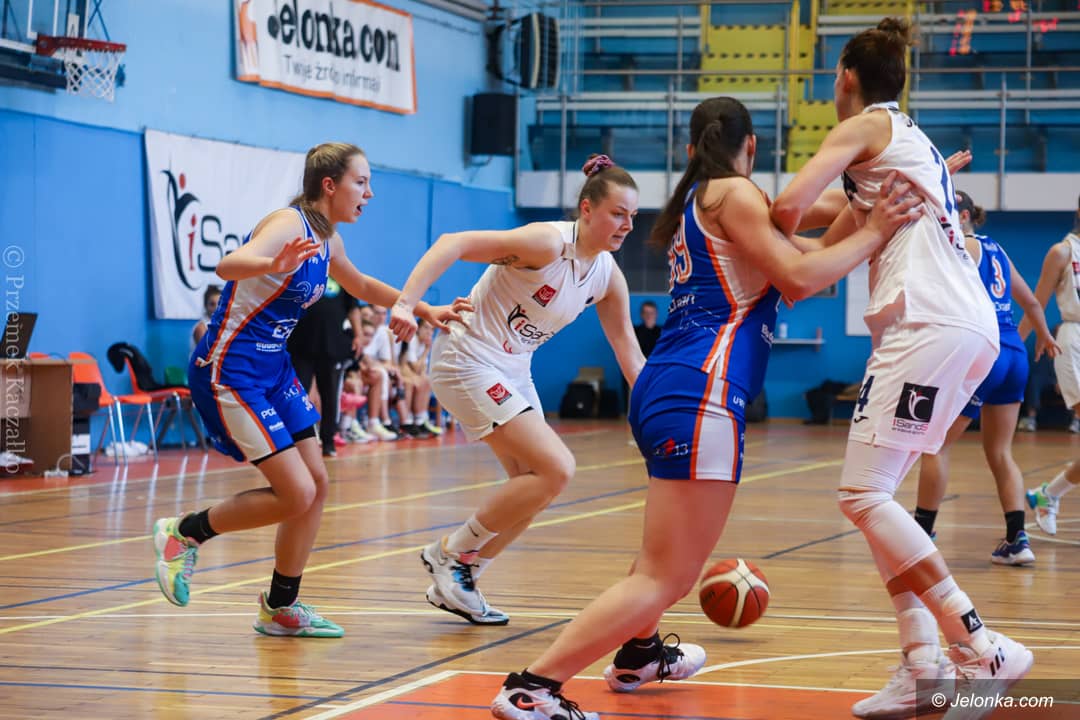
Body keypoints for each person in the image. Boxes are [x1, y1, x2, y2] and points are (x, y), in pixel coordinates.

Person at [484, 98, 924, 720]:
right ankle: (533, 687)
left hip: (673, 385)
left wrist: (879, 203)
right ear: (752, 146)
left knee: (658, 559)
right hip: (703, 390)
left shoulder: (705, 200)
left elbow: (816, 241)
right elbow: (803, 278)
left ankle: (639, 654)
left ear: (692, 150)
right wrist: (879, 227)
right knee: (666, 577)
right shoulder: (734, 195)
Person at [770, 18, 1034, 719]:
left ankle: (981, 647)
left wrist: (745, 223)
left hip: (929, 324)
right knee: (875, 497)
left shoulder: (865, 127)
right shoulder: (905, 147)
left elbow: (788, 209)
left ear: (846, 79)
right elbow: (822, 251)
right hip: (961, 327)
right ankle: (923, 665)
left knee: (862, 496)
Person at [152, 142, 467, 637]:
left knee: (316, 485)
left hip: (274, 369)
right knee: (295, 492)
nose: (369, 193)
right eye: (361, 182)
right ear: (329, 185)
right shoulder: (288, 224)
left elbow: (362, 285)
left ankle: (280, 606)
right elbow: (228, 266)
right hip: (231, 371)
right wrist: (270, 262)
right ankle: (184, 533)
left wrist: (422, 308)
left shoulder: (328, 241)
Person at [388, 154, 647, 627]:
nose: (627, 225)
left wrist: (658, 411)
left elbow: (628, 351)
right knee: (557, 467)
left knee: (537, 485)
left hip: (512, 367)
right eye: (618, 213)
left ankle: (464, 578)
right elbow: (452, 242)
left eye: (633, 216)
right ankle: (450, 553)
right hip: (467, 357)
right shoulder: (545, 243)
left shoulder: (607, 275)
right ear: (587, 209)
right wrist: (407, 304)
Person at [912, 190, 1059, 566]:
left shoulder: (958, 247)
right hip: (1013, 352)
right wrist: (1043, 336)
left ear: (962, 216)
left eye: (945, 210)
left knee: (935, 446)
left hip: (983, 350)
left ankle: (921, 534)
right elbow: (1032, 302)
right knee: (1000, 452)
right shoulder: (997, 249)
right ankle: (1017, 540)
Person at [1021, 192, 1080, 534]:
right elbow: (1036, 302)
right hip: (1074, 341)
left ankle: (1048, 494)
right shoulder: (1063, 251)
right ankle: (1050, 494)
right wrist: (1013, 345)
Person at [287, 276, 363, 457]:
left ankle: (328, 440)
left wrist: (358, 335)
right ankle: (296, 441)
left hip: (332, 347)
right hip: (301, 347)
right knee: (298, 395)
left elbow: (353, 308)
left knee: (330, 396)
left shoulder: (343, 276)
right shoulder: (302, 273)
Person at [191, 285, 222, 352]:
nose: (216, 308)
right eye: (212, 304)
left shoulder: (224, 324)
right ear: (205, 306)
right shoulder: (201, 328)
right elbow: (207, 353)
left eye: (219, 304)